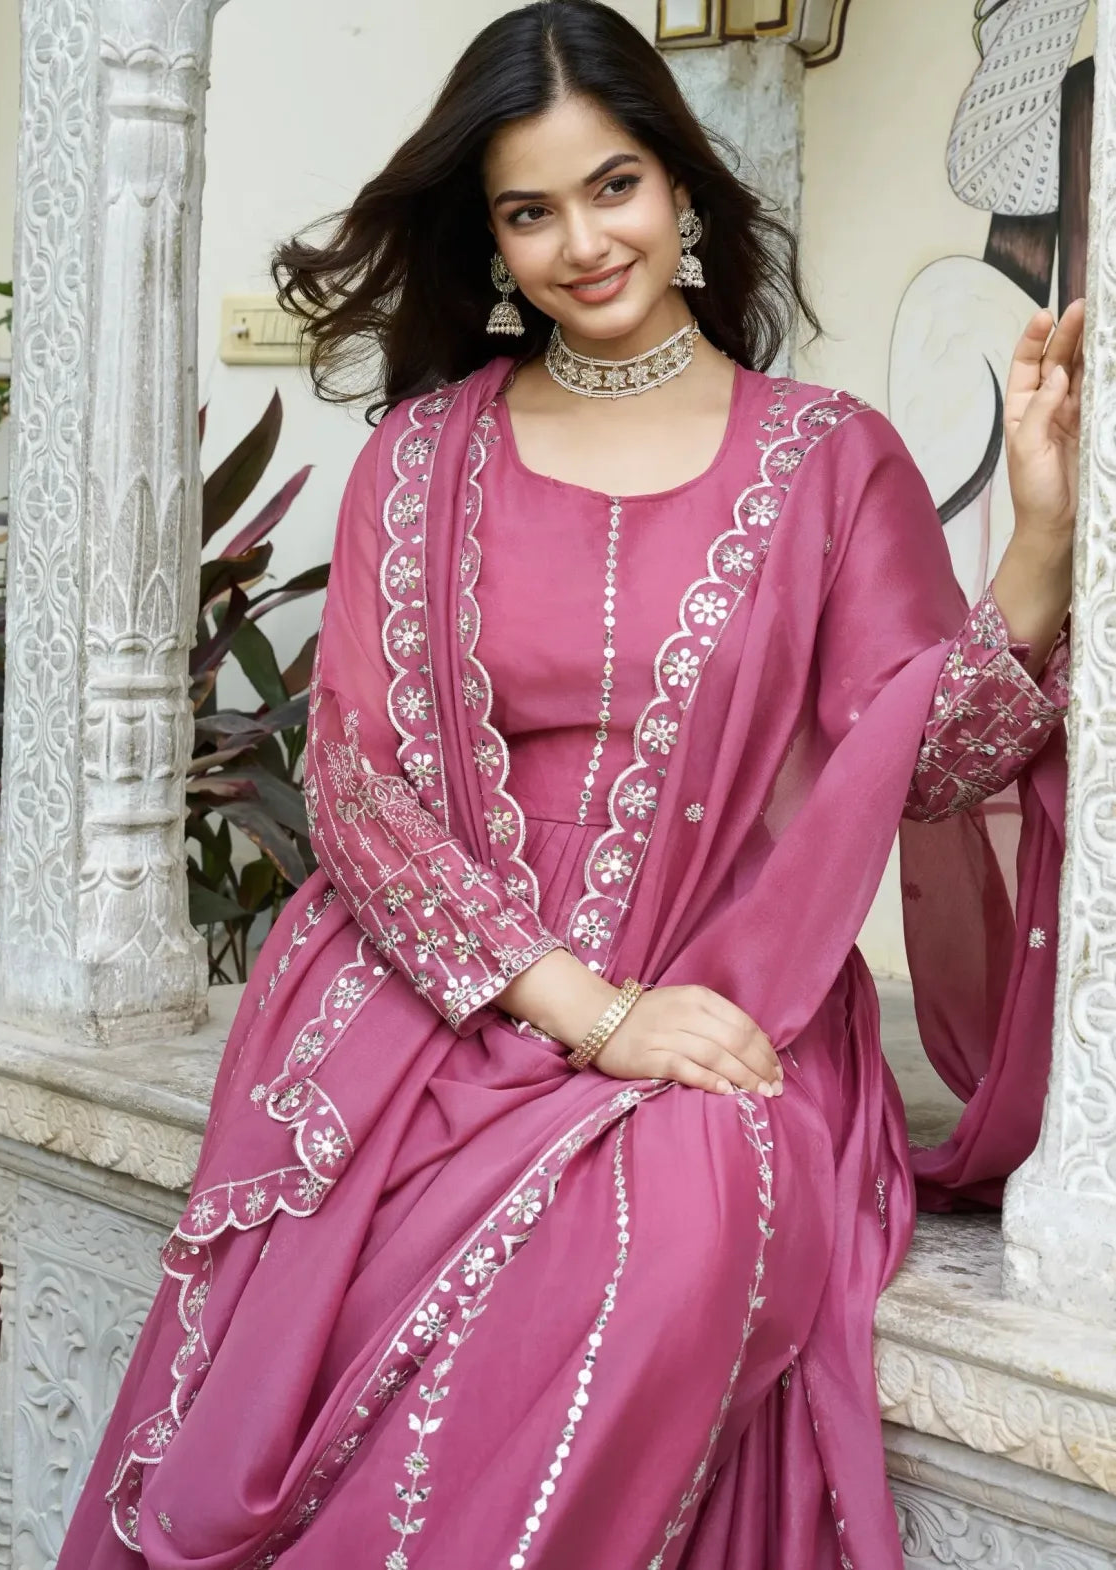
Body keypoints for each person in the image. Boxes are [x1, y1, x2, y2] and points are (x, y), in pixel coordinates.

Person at [58, 4, 1080, 1566]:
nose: (580, 241)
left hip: (726, 988)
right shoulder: (422, 453)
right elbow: (362, 794)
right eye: (528, 211)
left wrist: (1033, 540)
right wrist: (587, 1011)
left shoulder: (824, 454)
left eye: (611, 186)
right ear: (490, 240)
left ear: (679, 187)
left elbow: (920, 756)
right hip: (439, 991)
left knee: (689, 1197)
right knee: (388, 1258)